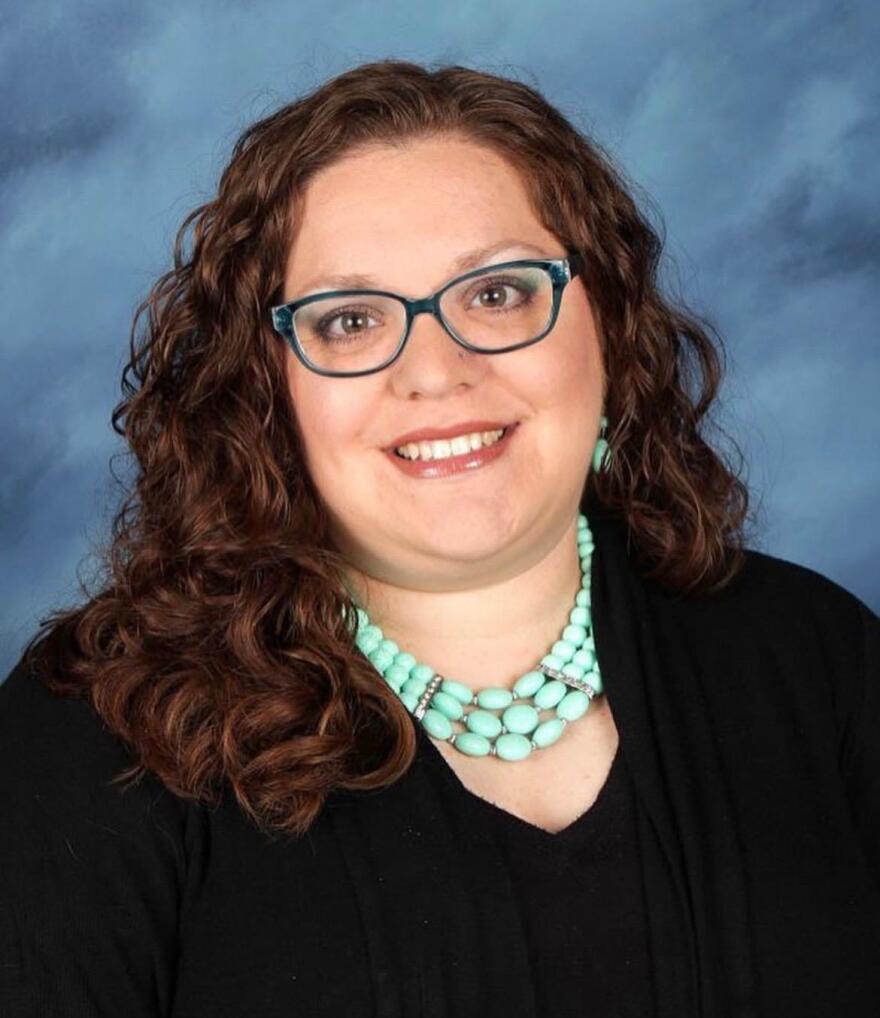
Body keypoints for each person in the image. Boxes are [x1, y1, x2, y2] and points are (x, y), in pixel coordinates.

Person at [1, 58, 878, 1018]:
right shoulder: (102, 729)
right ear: (266, 391)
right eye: (349, 320)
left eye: (497, 294)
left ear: (611, 323)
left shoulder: (816, 658)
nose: (435, 371)